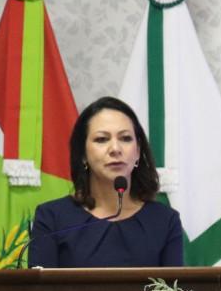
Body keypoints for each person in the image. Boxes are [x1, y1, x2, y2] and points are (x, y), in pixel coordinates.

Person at [28, 96, 184, 268]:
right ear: (82, 154)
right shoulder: (52, 219)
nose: (115, 149)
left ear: (138, 151)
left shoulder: (165, 221)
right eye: (102, 139)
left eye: (125, 138)